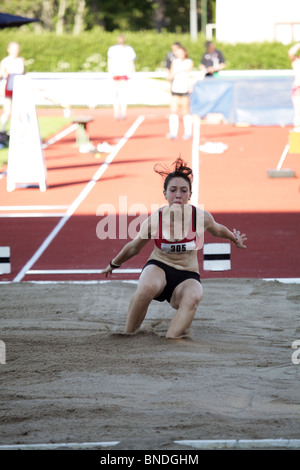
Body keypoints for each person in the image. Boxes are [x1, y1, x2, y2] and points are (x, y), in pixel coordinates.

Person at [100, 157, 247, 339]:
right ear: (165, 194)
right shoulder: (155, 220)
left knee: (195, 295)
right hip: (159, 267)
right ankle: (128, 334)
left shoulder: (200, 217)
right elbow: (134, 247)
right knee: (147, 286)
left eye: (183, 190)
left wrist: (234, 239)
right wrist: (113, 264)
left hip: (186, 275)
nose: (178, 194)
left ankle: (172, 339)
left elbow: (218, 230)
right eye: (173, 190)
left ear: (189, 195)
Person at [167, 46, 194, 140]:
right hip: (175, 88)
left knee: (185, 111)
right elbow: (170, 75)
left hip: (184, 89)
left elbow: (187, 70)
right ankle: (173, 133)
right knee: (173, 111)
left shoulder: (188, 61)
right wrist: (172, 74)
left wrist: (177, 71)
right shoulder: (174, 62)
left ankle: (188, 132)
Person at [107, 34, 136, 121]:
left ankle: (119, 113)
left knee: (119, 95)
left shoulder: (126, 49)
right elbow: (131, 63)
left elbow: (109, 61)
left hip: (121, 74)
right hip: (118, 74)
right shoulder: (117, 49)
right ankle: (120, 113)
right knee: (120, 95)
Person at [0, 42, 25, 132]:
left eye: (17, 49)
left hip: (19, 90)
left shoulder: (21, 61)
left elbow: (24, 75)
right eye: (14, 49)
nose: (16, 51)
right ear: (9, 50)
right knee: (8, 112)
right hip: (8, 89)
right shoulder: (5, 61)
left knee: (20, 112)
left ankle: (17, 132)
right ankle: (2, 131)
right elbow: (1, 75)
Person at [288, 43, 300, 131]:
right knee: (298, 112)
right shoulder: (296, 62)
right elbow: (291, 53)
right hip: (298, 90)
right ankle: (297, 129)